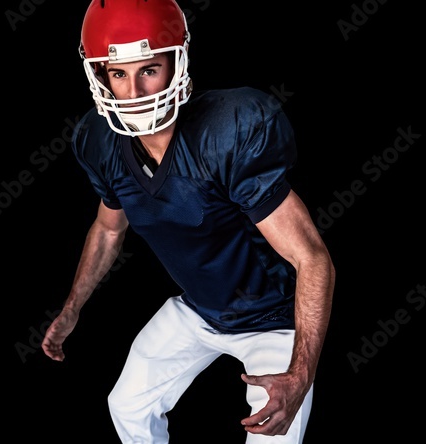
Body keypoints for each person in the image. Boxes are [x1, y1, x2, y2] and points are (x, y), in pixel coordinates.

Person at [40, 0, 336, 442]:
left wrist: (301, 372)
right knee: (127, 406)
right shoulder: (99, 142)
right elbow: (107, 228)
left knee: (274, 434)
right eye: (119, 74)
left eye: (149, 70)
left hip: (273, 319)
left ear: (176, 63)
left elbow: (314, 259)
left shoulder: (227, 131)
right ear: (100, 76)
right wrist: (71, 309)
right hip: (198, 311)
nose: (135, 91)